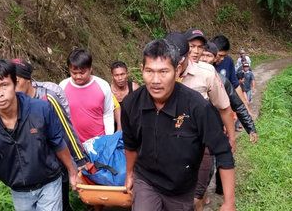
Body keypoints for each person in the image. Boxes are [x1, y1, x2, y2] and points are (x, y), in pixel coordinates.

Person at [121, 38, 236, 211]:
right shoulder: (131, 104)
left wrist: (229, 202)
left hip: (181, 188)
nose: (155, 80)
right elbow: (130, 145)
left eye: (163, 72)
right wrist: (130, 174)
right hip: (146, 180)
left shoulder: (197, 106)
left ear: (177, 71)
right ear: (141, 70)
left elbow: (223, 151)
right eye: (149, 71)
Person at [0, 59, 77, 211]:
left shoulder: (41, 109)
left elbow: (58, 142)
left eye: (4, 85)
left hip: (49, 182)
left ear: (15, 84)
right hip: (19, 191)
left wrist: (72, 170)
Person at [12, 59, 89, 211]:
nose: (11, 87)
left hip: (57, 162)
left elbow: (66, 130)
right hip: (31, 168)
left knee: (62, 204)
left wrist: (80, 160)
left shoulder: (47, 97)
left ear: (28, 79)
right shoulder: (11, 103)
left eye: (16, 81)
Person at [60, 48, 117, 143]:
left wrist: (108, 140)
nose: (78, 76)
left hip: (99, 143)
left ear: (90, 69)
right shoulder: (62, 87)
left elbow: (108, 113)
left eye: (82, 73)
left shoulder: (103, 86)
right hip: (74, 144)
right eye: (74, 73)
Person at [211, 35, 248, 105]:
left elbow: (235, 84)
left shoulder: (228, 61)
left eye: (224, 56)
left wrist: (245, 103)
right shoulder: (203, 63)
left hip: (225, 103)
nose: (222, 59)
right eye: (220, 55)